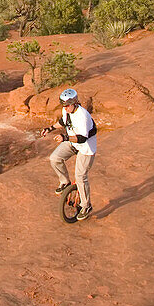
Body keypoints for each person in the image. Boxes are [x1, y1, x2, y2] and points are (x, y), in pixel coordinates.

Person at [39, 88, 97, 220]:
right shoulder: (66, 110)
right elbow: (63, 122)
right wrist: (49, 128)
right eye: (63, 105)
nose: (65, 108)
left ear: (75, 103)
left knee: (81, 176)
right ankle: (65, 182)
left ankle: (86, 205)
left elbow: (82, 138)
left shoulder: (83, 116)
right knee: (54, 158)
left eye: (67, 105)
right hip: (72, 143)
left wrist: (65, 138)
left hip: (85, 148)